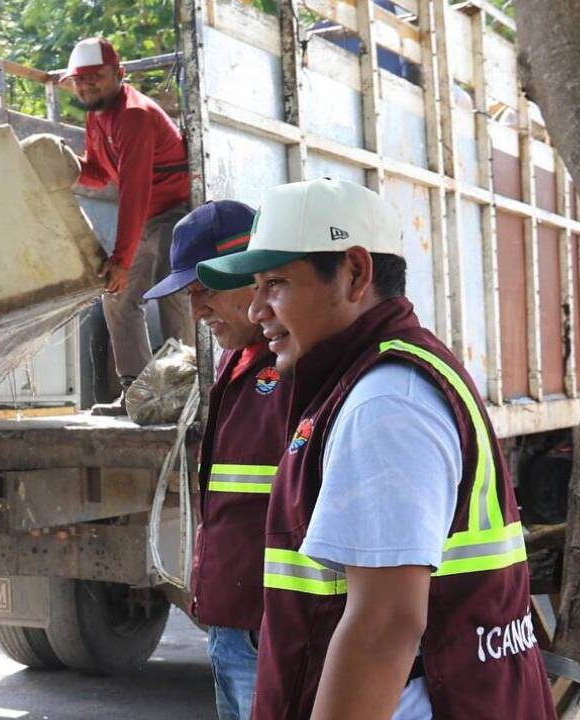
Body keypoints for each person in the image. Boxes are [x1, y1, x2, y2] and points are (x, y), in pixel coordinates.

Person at [196, 179, 554, 719]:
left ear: (355, 273)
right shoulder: (372, 380)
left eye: (275, 283)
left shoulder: (384, 403)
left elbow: (384, 625)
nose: (257, 311)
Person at [143, 201, 285, 719]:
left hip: (270, 630)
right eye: (189, 295)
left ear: (255, 275)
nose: (196, 310)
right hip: (233, 626)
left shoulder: (298, 367)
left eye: (205, 290)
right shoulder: (235, 360)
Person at [63, 36, 192, 414]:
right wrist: (59, 162)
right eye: (79, 79)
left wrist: (121, 258)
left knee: (176, 297)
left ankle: (184, 390)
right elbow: (100, 172)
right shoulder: (97, 113)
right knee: (117, 298)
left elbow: (134, 190)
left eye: (95, 77)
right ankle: (136, 394)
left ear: (118, 75)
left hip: (173, 212)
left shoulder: (133, 114)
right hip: (146, 214)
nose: (86, 85)